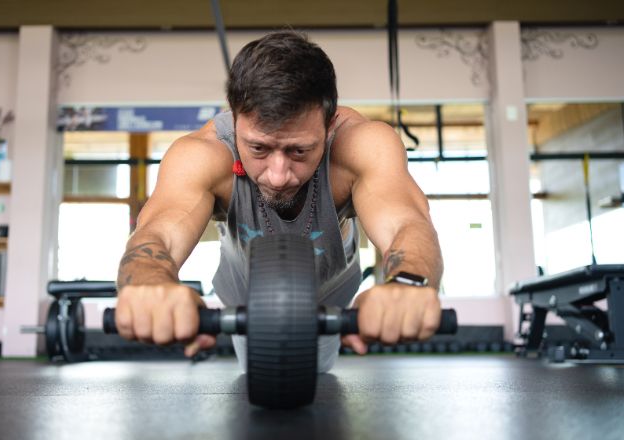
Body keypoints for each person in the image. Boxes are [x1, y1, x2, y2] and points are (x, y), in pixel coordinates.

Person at [115, 30, 444, 373]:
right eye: (258, 148)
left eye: (298, 150)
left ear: (329, 125)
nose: (278, 174)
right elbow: (158, 234)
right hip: (243, 292)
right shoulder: (202, 155)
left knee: (315, 381)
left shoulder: (362, 146)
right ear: (236, 117)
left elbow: (407, 223)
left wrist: (407, 284)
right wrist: (150, 283)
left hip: (330, 290)